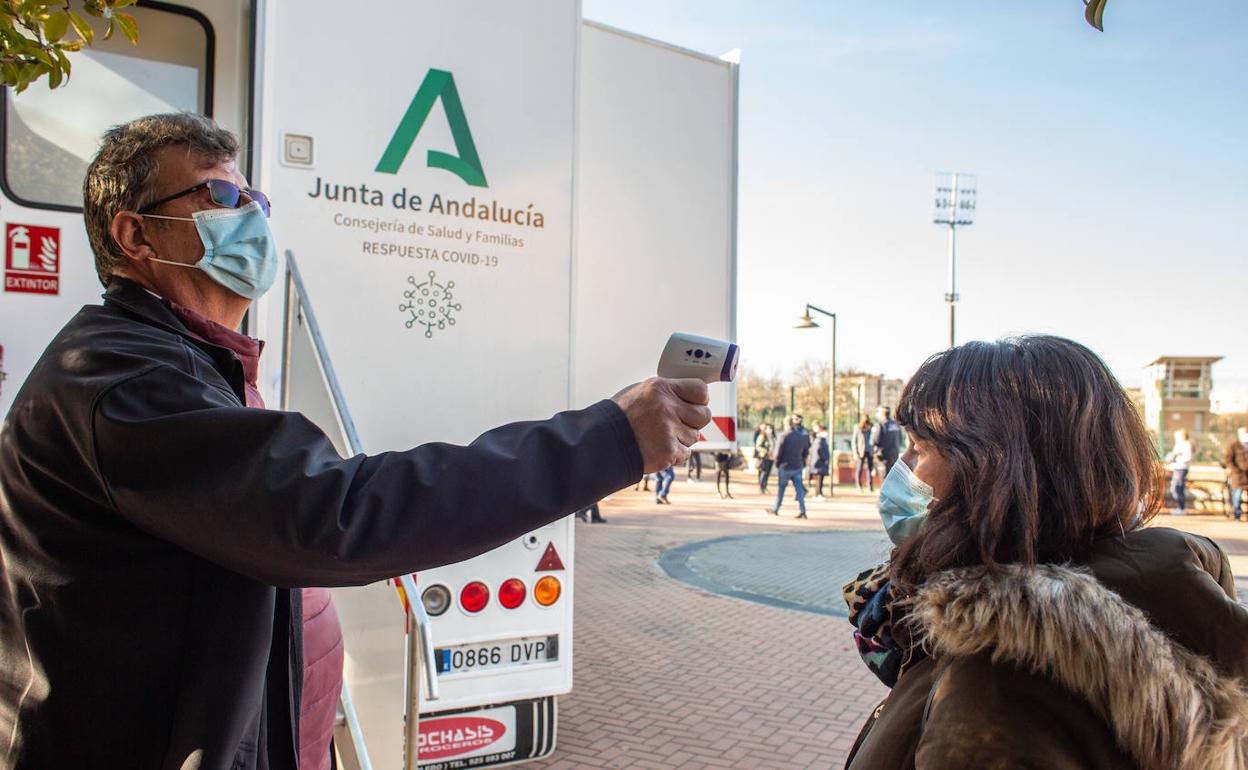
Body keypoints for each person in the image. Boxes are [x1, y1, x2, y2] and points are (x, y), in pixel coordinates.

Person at [0, 114, 712, 769]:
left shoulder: (191, 361)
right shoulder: (125, 382)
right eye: (221, 197)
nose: (252, 219)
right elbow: (342, 516)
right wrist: (609, 440)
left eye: (258, 204)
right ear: (136, 236)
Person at [842, 336, 1248, 770]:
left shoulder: (997, 683)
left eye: (919, 449)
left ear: (997, 470)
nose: (900, 468)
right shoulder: (1165, 601)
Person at [766, 415, 810, 518]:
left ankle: (776, 508)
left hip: (785, 466)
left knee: (781, 489)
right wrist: (802, 461)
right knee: (799, 489)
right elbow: (805, 451)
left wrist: (777, 463)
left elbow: (778, 452)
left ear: (785, 424)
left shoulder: (783, 436)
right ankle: (802, 510)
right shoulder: (801, 436)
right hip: (797, 465)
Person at [1163, 429, 1194, 515]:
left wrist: (1177, 459)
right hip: (1177, 468)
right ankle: (1179, 507)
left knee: (1178, 487)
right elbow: (1172, 455)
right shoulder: (1178, 445)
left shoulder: (1186, 444)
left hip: (1181, 468)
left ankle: (1181, 508)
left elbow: (1188, 457)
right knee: (1175, 488)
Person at [868, 406, 903, 476]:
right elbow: (900, 439)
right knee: (893, 477)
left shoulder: (880, 425)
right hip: (895, 454)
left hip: (883, 456)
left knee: (885, 477)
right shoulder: (896, 425)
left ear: (882, 413)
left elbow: (874, 441)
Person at [1223, 427, 1248, 521]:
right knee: (1236, 497)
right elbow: (1227, 460)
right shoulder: (1233, 445)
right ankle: (1237, 515)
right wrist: (1234, 470)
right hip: (1238, 476)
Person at [852, 416, 874, 491]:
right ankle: (859, 485)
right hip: (861, 451)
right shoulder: (858, 428)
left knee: (869, 469)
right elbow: (854, 441)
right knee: (859, 469)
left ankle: (870, 485)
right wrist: (855, 452)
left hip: (869, 451)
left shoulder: (871, 428)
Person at [809, 421, 831, 500]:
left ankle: (819, 493)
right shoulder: (819, 440)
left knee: (820, 480)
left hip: (819, 463)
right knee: (819, 480)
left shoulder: (821, 440)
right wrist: (825, 458)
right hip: (819, 463)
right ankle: (818, 494)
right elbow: (820, 451)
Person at [755, 422, 775, 493]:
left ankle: (765, 486)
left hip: (772, 457)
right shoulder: (762, 436)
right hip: (764, 457)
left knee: (768, 473)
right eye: (768, 428)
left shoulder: (773, 437)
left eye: (771, 428)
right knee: (764, 472)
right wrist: (766, 451)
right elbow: (758, 446)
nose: (770, 430)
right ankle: (761, 487)